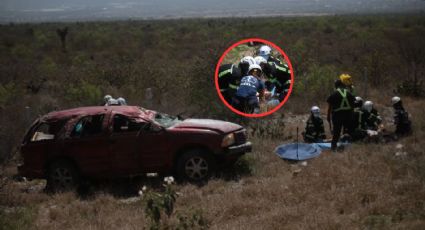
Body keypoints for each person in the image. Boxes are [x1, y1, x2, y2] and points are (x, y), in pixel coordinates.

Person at [327, 79, 356, 150]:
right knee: (348, 132)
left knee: (336, 132)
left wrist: (328, 116)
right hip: (348, 115)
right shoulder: (348, 93)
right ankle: (348, 146)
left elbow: (330, 106)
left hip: (337, 116)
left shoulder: (334, 93)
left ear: (336, 85)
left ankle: (333, 148)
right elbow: (353, 103)